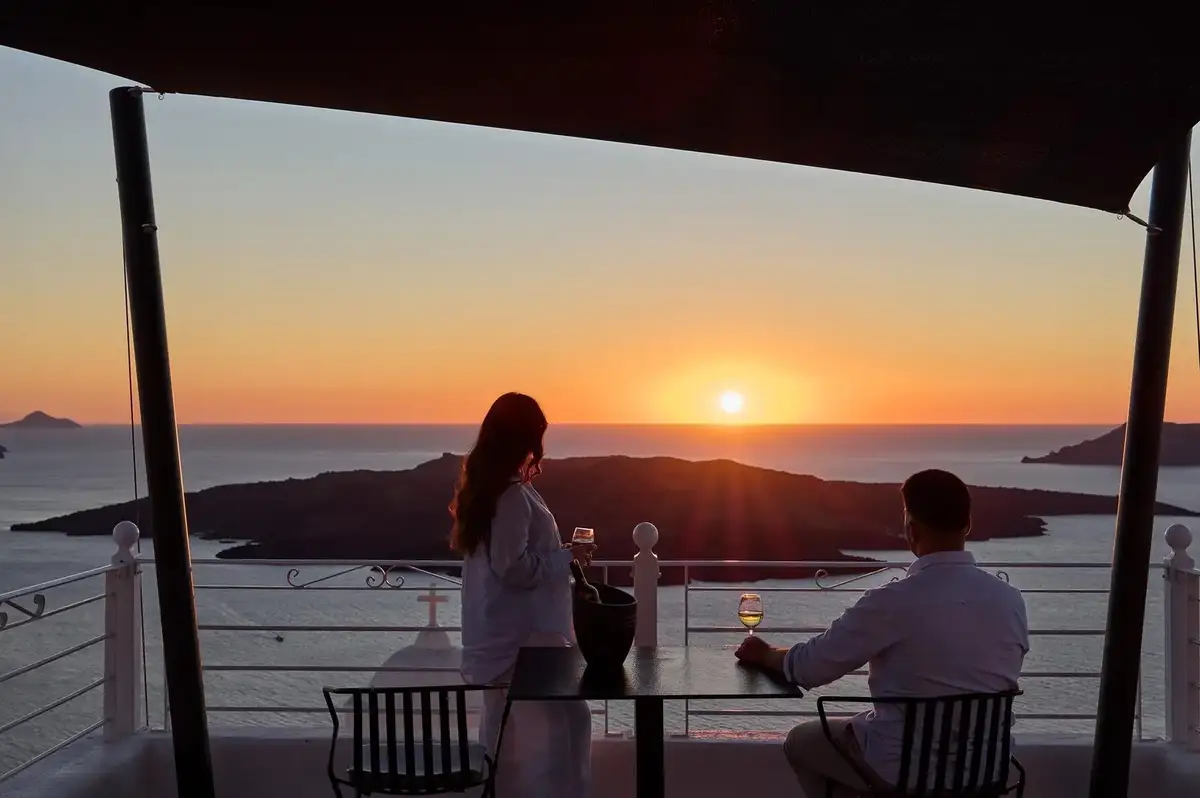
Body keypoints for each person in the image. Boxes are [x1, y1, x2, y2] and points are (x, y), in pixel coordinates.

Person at [735, 469, 1029, 797]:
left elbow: (809, 667)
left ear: (911, 529)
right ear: (968, 524)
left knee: (800, 741)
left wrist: (764, 653)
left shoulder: (892, 600)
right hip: (985, 772)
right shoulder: (1010, 600)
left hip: (905, 771)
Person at [452, 392, 595, 798]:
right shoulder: (511, 496)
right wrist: (566, 558)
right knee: (560, 735)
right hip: (525, 646)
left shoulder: (492, 490)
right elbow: (512, 568)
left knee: (509, 738)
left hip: (504, 641)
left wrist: (559, 556)